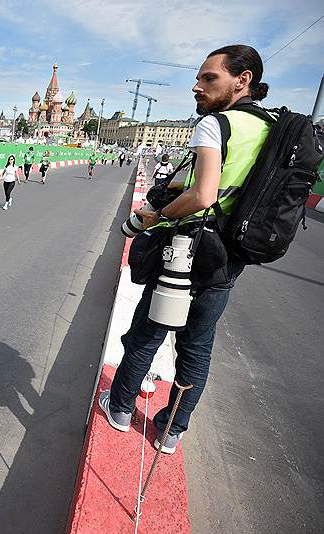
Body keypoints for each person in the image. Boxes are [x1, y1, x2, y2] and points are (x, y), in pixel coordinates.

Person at [99, 44, 273, 454]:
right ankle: (172, 431)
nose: (197, 86)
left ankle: (121, 407)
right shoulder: (272, 130)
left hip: (189, 250)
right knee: (197, 345)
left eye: (209, 78)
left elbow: (203, 193)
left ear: (241, 79)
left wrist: (156, 215)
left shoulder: (217, 124)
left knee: (148, 332)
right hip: (231, 256)